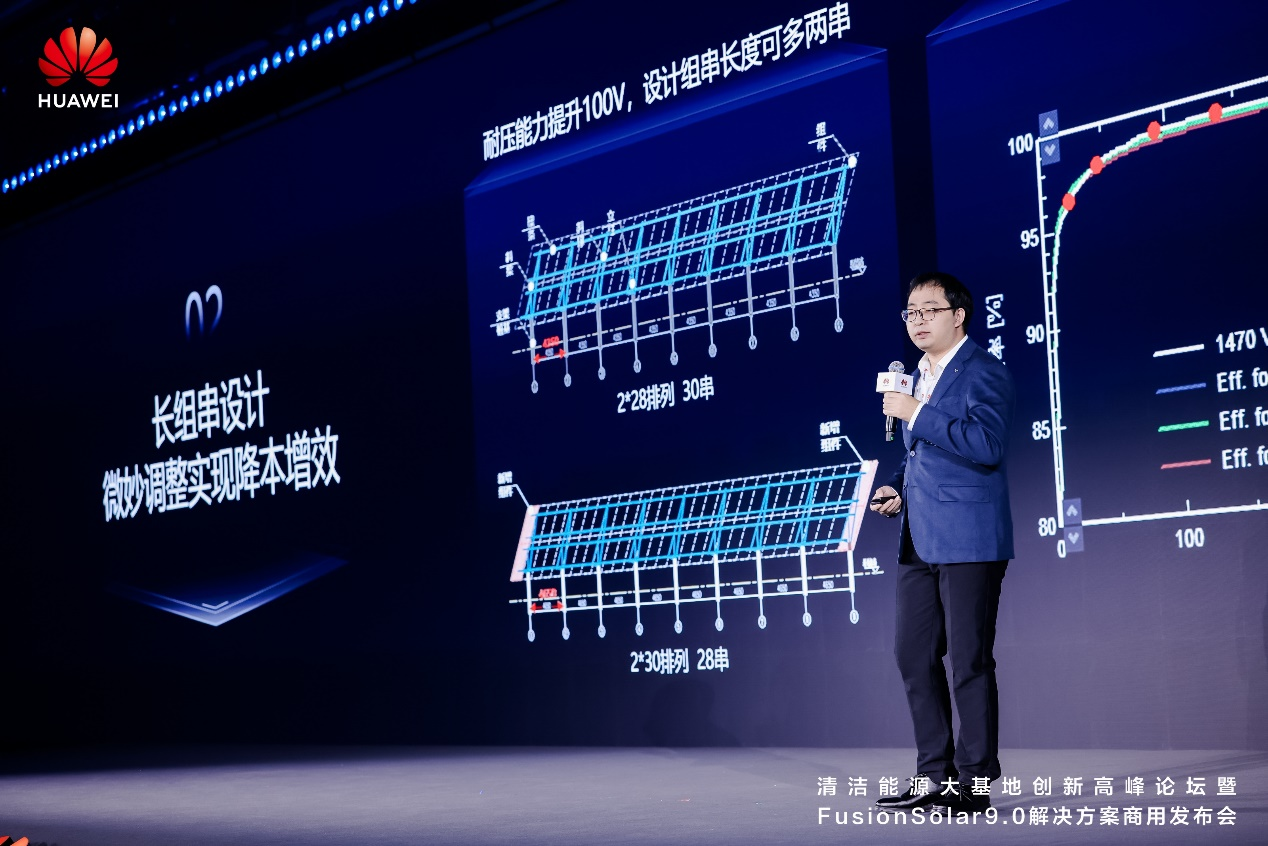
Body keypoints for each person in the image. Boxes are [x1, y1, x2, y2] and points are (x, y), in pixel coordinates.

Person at [869, 271, 1015, 814]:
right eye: (911, 312)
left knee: (969, 660)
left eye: (930, 309)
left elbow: (987, 445)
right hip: (918, 536)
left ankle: (974, 782)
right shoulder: (914, 376)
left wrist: (916, 414)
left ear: (959, 315)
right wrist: (897, 488)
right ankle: (934, 774)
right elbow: (921, 457)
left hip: (969, 538)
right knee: (912, 655)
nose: (918, 320)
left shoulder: (985, 371)